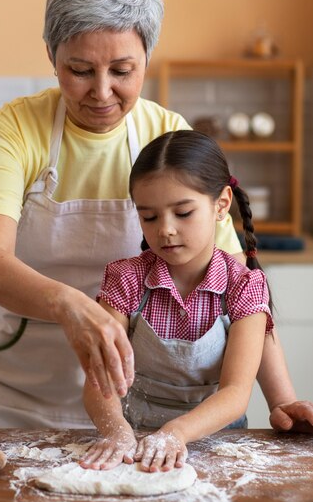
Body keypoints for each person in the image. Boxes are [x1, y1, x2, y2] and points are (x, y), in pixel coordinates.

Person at [0, 0, 313, 431]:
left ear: (147, 60)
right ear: (51, 57)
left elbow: (240, 288)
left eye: (122, 70)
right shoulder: (13, 129)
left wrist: (282, 397)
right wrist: (71, 304)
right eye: (79, 70)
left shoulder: (165, 135)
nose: (101, 92)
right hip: (10, 383)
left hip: (127, 398)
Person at [80, 130, 272, 472]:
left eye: (182, 213)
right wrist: (117, 431)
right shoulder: (125, 279)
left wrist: (176, 432)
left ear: (221, 205)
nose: (165, 230)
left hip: (219, 447)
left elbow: (235, 392)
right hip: (132, 445)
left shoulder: (244, 285)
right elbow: (99, 382)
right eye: (149, 217)